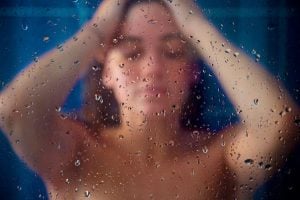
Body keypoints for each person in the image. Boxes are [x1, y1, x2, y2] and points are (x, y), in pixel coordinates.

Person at [0, 0, 299, 199]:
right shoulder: (75, 150)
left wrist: (196, 26)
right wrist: (99, 26)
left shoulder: (220, 157)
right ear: (106, 73)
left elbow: (280, 121)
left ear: (192, 71)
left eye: (173, 52)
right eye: (131, 53)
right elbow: (14, 111)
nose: (153, 68)